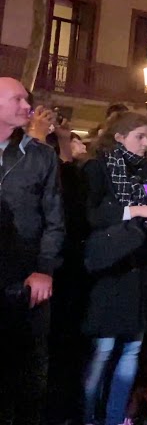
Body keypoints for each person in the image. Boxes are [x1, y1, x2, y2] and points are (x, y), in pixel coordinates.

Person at [81, 112, 147, 425]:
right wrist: (134, 210)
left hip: (141, 268)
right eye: (139, 137)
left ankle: (115, 416)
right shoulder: (98, 167)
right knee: (103, 350)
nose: (146, 144)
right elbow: (90, 215)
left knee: (132, 348)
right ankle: (89, 416)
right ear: (119, 136)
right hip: (111, 270)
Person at [0, 77, 64, 425]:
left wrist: (44, 269)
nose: (28, 106)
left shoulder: (42, 156)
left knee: (27, 373)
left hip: (26, 279)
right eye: (18, 100)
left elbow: (54, 219)